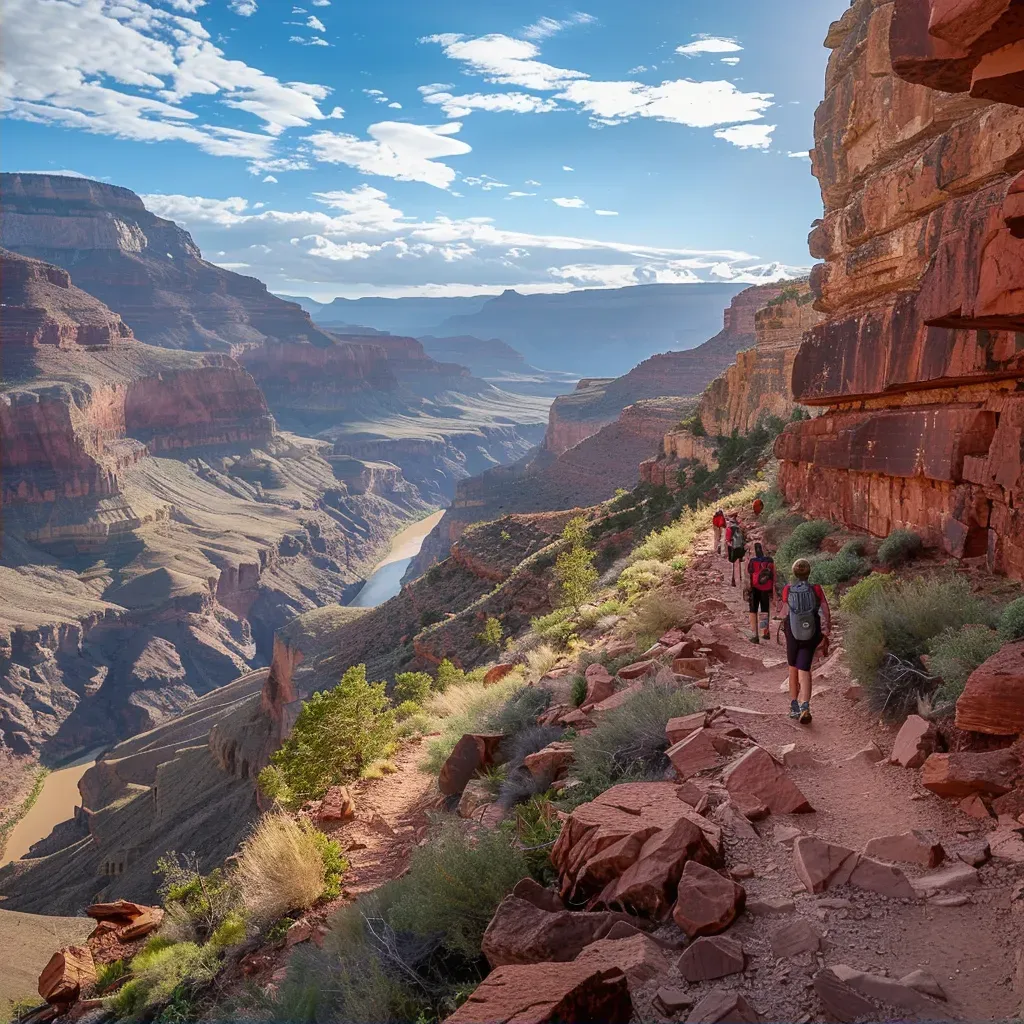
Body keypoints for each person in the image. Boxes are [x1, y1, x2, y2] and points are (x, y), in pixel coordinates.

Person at [781, 558, 831, 724]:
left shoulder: (788, 589)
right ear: (809, 573)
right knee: (805, 668)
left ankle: (794, 705)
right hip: (811, 631)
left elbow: (783, 612)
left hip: (792, 632)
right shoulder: (816, 588)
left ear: (794, 573)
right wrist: (826, 629)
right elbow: (825, 609)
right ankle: (805, 707)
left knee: (792, 668)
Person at [744, 542, 774, 644]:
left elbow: (748, 574)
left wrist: (746, 589)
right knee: (764, 610)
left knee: (753, 610)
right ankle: (764, 632)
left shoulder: (752, 561)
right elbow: (774, 576)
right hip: (766, 589)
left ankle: (754, 635)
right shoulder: (770, 561)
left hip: (754, 588)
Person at [724, 513, 746, 587]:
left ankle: (734, 581)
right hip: (741, 548)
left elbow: (727, 541)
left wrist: (730, 548)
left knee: (733, 564)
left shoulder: (729, 529)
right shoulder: (739, 528)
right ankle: (742, 580)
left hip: (734, 548)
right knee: (740, 563)